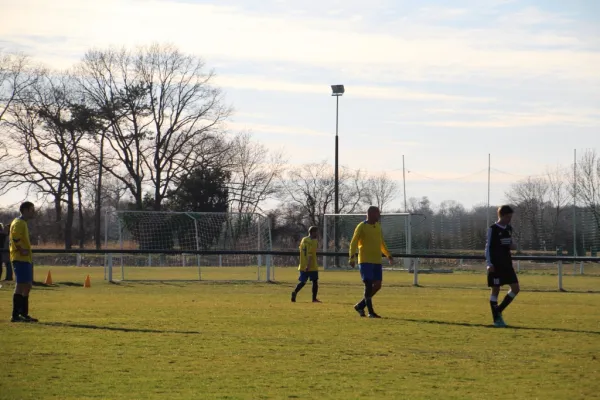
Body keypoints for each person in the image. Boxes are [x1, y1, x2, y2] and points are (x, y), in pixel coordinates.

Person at [349, 206, 393, 318]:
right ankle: (371, 312)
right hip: (365, 260)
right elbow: (353, 243)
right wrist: (351, 257)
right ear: (371, 214)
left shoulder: (378, 226)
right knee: (368, 285)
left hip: (376, 260)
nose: (379, 216)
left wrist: (388, 254)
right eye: (377, 214)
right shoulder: (361, 226)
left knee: (377, 285)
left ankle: (360, 306)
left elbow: (381, 243)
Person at [485, 205, 520, 328]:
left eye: (511, 217)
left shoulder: (509, 228)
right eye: (508, 217)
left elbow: (510, 243)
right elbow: (488, 248)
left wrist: (513, 245)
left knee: (516, 288)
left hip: (507, 264)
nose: (509, 219)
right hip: (495, 265)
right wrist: (489, 264)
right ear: (501, 215)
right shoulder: (493, 229)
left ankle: (498, 311)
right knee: (496, 290)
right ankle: (497, 319)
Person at [9, 201, 38, 323]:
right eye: (31, 210)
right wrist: (21, 250)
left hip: (26, 259)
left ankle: (23, 313)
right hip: (20, 258)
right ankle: (15, 315)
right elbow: (15, 238)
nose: (33, 212)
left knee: (27, 285)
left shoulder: (23, 223)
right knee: (20, 285)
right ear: (25, 210)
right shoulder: (18, 222)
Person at [291, 226, 321, 303]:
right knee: (315, 281)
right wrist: (308, 265)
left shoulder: (303, 240)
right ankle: (314, 299)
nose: (317, 233)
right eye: (316, 232)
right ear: (313, 232)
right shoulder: (313, 241)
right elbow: (310, 254)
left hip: (302, 264)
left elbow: (301, 250)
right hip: (311, 265)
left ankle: (295, 292)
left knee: (303, 282)